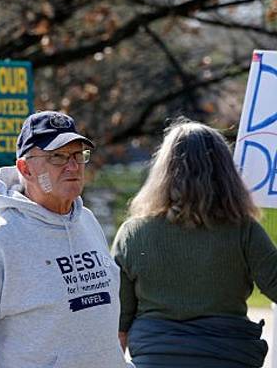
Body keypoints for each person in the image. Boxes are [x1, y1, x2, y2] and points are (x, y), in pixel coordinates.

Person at [0, 111, 128, 367]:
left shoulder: (87, 221)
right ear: (25, 168)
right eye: (58, 157)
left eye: (77, 155)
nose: (72, 167)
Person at [113, 120, 277, 367]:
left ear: (162, 172)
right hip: (230, 357)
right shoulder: (244, 229)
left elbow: (118, 323)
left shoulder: (133, 233)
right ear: (225, 172)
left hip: (156, 359)